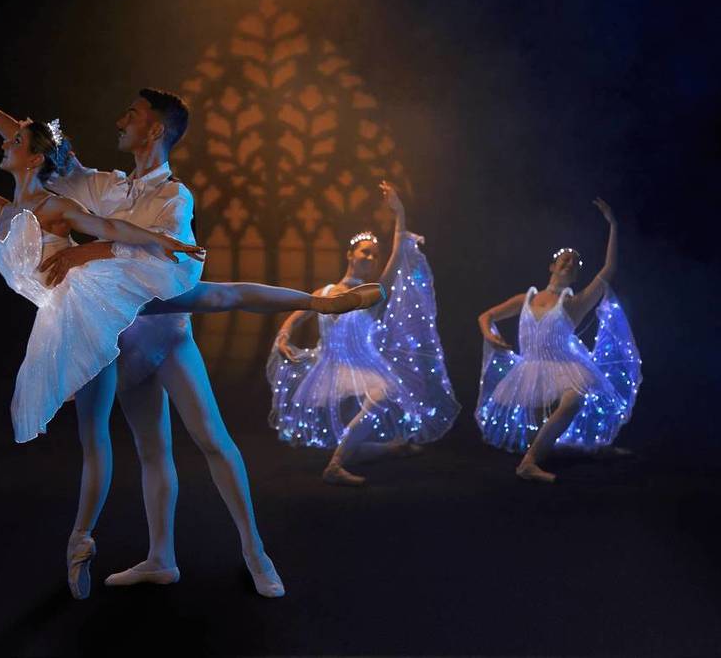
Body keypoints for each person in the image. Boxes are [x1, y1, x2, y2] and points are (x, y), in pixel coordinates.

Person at [0, 80, 354, 598]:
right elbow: (42, 150)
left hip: (168, 333)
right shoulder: (106, 187)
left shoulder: (174, 196)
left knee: (212, 439)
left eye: (131, 115)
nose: (120, 122)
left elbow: (164, 257)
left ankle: (255, 552)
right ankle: (161, 558)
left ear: (153, 130)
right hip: (126, 340)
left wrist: (85, 252)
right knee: (151, 450)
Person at [268, 182, 460, 485]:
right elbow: (296, 315)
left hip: (365, 366)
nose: (370, 258)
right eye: (365, 253)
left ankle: (336, 465)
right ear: (350, 254)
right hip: (330, 366)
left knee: (381, 397)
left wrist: (399, 213)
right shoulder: (325, 292)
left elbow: (397, 254)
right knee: (352, 440)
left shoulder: (373, 294)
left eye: (374, 255)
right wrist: (283, 337)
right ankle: (391, 450)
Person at [475, 198, 642, 483]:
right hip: (530, 370)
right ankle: (581, 450)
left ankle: (528, 464)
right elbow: (486, 315)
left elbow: (608, 269)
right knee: (544, 435)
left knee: (573, 399)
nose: (569, 262)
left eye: (574, 263)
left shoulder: (574, 303)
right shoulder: (526, 298)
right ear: (552, 266)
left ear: (575, 275)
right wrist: (489, 334)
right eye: (564, 259)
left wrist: (613, 225)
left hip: (564, 367)